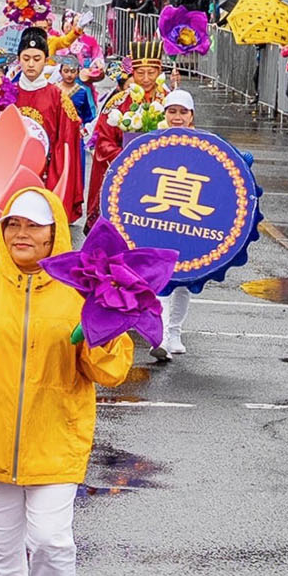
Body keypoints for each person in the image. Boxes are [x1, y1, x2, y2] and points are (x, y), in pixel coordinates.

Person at [0, 188, 132, 576]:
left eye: (34, 226)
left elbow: (112, 371)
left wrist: (102, 331)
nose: (22, 234)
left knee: (50, 541)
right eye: (13, 225)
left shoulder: (82, 290)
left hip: (56, 438)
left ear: (54, 232)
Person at [86, 41, 168, 227]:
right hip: (124, 171)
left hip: (159, 174)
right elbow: (103, 139)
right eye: (140, 73)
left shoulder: (170, 102)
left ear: (160, 71)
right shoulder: (118, 102)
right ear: (132, 73)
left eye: (151, 72)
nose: (146, 79)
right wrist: (127, 157)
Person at [10, 27, 84, 218]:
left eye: (37, 59)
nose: (31, 65)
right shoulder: (6, 92)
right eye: (26, 59)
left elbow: (67, 140)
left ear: (46, 60)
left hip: (45, 171)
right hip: (11, 167)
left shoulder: (57, 95)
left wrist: (54, 173)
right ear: (19, 59)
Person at [151, 89, 197, 361]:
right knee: (162, 278)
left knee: (184, 282)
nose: (177, 117)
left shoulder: (206, 146)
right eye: (172, 111)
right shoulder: (153, 142)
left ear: (191, 116)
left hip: (190, 223)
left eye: (183, 112)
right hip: (160, 221)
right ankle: (162, 337)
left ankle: (175, 333)